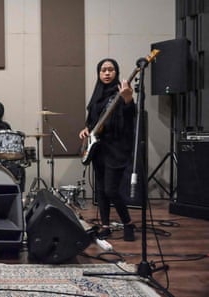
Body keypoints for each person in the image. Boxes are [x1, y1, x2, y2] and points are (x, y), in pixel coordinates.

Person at [79, 58, 136, 241]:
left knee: (112, 190)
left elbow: (130, 119)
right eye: (103, 70)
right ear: (98, 73)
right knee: (101, 190)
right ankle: (105, 226)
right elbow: (91, 121)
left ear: (116, 72)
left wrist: (128, 101)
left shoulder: (121, 92)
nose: (107, 73)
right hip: (99, 150)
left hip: (116, 149)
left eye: (111, 70)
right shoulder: (97, 95)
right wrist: (86, 129)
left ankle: (128, 223)